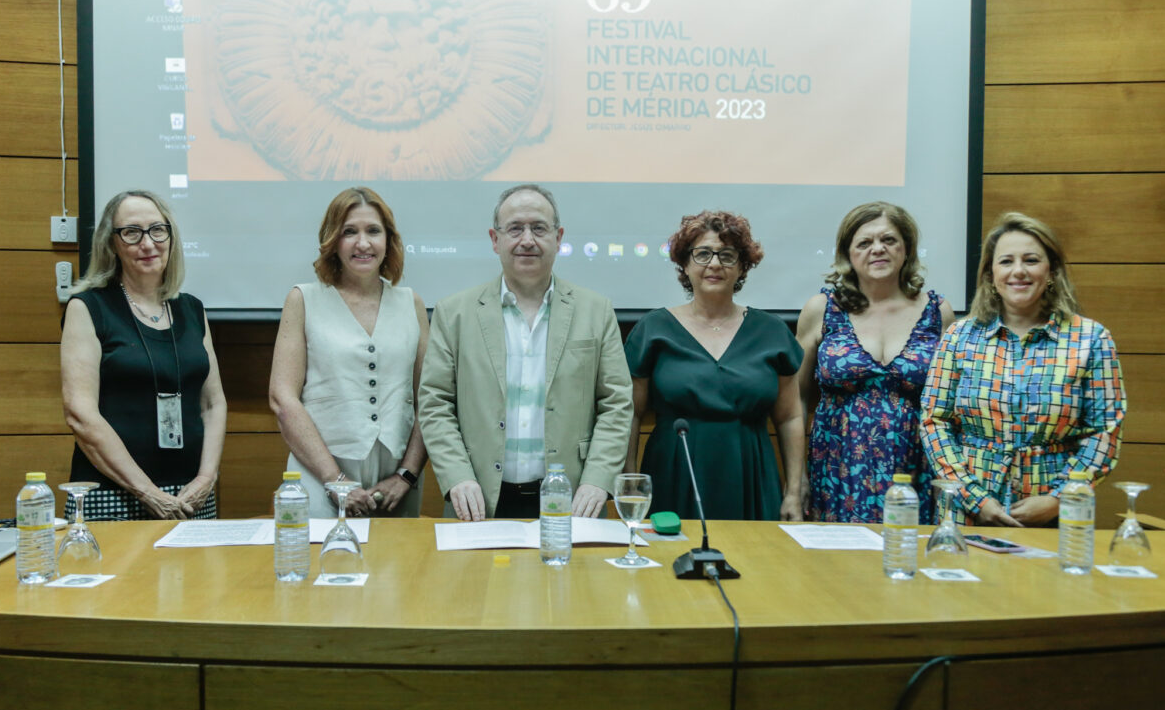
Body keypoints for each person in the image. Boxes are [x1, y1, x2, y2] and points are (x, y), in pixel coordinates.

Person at [418, 184, 633, 520]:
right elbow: (435, 403)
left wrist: (597, 479)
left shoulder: (596, 311)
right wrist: (457, 476)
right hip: (477, 500)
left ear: (558, 238)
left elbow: (616, 403)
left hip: (574, 499)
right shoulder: (454, 313)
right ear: (495, 239)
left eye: (539, 228)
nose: (528, 240)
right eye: (515, 229)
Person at [920, 212, 1125, 527]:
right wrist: (973, 497)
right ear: (990, 275)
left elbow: (1104, 430)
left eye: (1031, 260)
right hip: (967, 511)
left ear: (1051, 271)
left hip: (1056, 515)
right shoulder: (959, 336)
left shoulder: (1091, 339)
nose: (1018, 271)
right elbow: (934, 421)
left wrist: (1058, 499)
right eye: (1006, 262)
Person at [624, 211, 806, 521]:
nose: (715, 263)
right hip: (674, 471)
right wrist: (630, 482)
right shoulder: (653, 329)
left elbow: (790, 417)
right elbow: (631, 413)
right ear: (685, 264)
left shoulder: (772, 331)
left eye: (727, 255)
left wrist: (793, 492)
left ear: (742, 266)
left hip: (751, 472)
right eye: (703, 254)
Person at [61, 190, 226, 520]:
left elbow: (213, 404)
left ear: (170, 237)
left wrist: (207, 478)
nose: (148, 243)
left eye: (157, 230)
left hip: (190, 496)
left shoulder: (192, 309)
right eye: (132, 232)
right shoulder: (88, 308)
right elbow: (80, 414)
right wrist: (147, 492)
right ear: (112, 243)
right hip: (113, 495)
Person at [269, 188, 428, 517]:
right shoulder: (303, 299)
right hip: (319, 476)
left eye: (373, 231)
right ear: (332, 240)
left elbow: (429, 398)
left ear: (389, 240)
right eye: (349, 232)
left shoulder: (411, 304)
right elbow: (282, 398)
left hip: (395, 484)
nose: (363, 243)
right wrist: (335, 480)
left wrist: (406, 475)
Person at [797, 202, 954, 524]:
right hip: (837, 467)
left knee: (908, 551)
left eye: (889, 240)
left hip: (916, 468)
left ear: (906, 249)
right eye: (865, 242)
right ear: (848, 254)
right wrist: (796, 479)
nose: (877, 249)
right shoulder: (821, 309)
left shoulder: (938, 312)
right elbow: (794, 399)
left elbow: (951, 406)